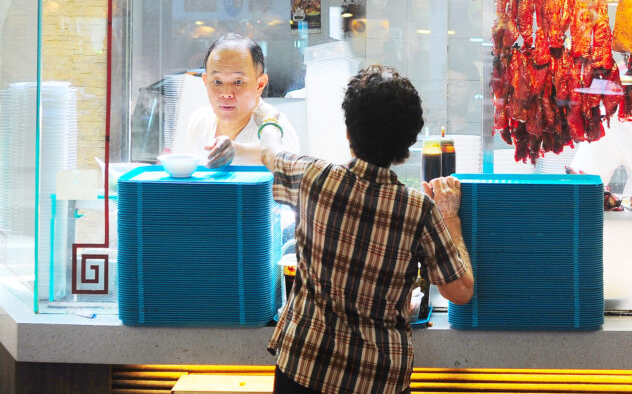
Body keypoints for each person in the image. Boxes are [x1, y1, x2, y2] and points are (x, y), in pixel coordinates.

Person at [208, 65, 474, 394]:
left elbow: (270, 153)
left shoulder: (313, 177)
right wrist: (452, 220)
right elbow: (460, 292)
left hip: (302, 366)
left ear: (349, 132)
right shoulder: (418, 209)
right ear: (408, 141)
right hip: (376, 380)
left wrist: (269, 118)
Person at [172, 33, 300, 165]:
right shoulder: (199, 120)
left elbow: (284, 162)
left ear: (260, 84)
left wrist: (238, 151)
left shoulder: (274, 124)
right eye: (217, 82)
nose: (226, 93)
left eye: (238, 82)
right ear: (205, 81)